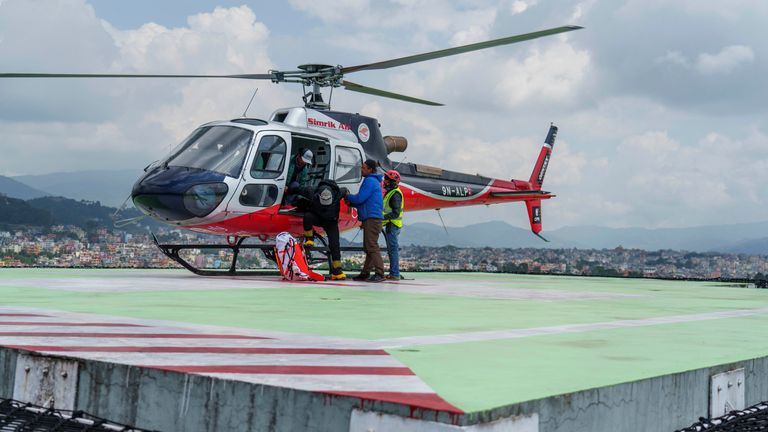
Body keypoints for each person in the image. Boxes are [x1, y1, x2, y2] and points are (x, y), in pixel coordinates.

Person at [291, 179, 346, 280]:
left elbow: (345, 190)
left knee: (335, 244)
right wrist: (289, 189)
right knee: (307, 216)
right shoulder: (312, 192)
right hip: (318, 217)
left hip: (331, 222)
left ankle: (337, 270)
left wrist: (348, 197)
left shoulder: (338, 193)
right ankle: (309, 239)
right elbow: (299, 189)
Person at [344, 159, 385, 282]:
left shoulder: (370, 181)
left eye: (363, 168)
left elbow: (360, 198)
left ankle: (380, 273)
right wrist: (352, 202)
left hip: (371, 218)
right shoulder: (373, 181)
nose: (361, 170)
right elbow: (365, 202)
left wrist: (347, 196)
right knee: (369, 247)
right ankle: (365, 273)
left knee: (371, 246)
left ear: (370, 170)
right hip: (372, 217)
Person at [382, 169, 403, 280]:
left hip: (392, 225)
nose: (384, 181)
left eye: (386, 179)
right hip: (391, 225)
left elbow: (395, 213)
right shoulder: (390, 192)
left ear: (392, 182)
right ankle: (394, 273)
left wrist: (381, 218)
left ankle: (395, 274)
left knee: (393, 250)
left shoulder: (395, 194)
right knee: (392, 250)